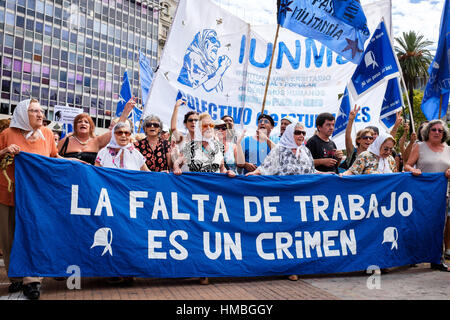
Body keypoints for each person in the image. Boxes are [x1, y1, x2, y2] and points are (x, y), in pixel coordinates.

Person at [0, 99, 75, 299]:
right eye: (34, 111)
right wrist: (6, 151)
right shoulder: (7, 134)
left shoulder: (48, 134)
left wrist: (73, 163)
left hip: (36, 198)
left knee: (33, 234)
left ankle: (32, 280)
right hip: (8, 194)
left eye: (41, 111)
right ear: (23, 114)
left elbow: (53, 158)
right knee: (9, 238)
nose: (40, 114)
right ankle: (15, 278)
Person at [246, 122, 331, 281]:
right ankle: (287, 268)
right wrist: (255, 174)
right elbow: (265, 169)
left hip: (302, 201)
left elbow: (312, 172)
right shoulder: (279, 150)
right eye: (297, 132)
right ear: (290, 133)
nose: (301, 136)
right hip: (283, 201)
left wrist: (329, 175)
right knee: (285, 234)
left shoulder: (305, 151)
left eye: (303, 133)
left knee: (300, 234)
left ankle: (298, 266)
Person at [173, 113, 235, 285]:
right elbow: (177, 163)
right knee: (195, 233)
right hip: (193, 198)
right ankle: (198, 270)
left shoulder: (218, 147)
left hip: (212, 199)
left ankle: (208, 269)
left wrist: (228, 173)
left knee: (210, 233)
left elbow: (222, 168)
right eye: (204, 126)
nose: (208, 129)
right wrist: (177, 168)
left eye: (211, 126)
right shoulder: (190, 146)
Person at [404, 119, 450, 272]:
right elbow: (407, 165)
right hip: (421, 194)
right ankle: (413, 256)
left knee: (439, 227)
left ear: (444, 134)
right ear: (428, 132)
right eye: (434, 130)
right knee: (419, 225)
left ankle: (437, 259)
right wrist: (413, 170)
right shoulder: (419, 146)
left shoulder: (448, 149)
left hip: (442, 195)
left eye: (440, 130)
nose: (437, 132)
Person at [58, 97, 137, 164]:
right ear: (75, 126)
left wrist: (125, 112)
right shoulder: (65, 141)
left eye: (86, 122)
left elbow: (115, 131)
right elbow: (53, 157)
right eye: (79, 122)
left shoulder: (97, 141)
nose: (83, 124)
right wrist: (70, 160)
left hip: (90, 179)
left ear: (91, 127)